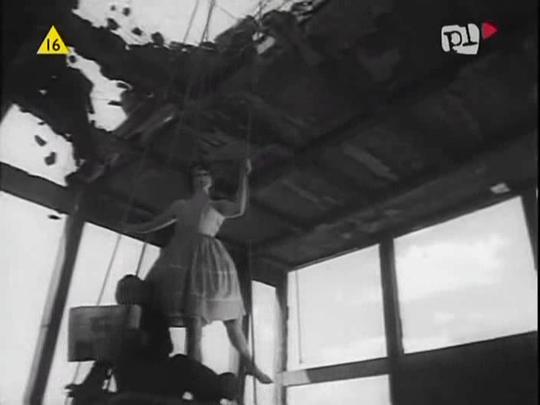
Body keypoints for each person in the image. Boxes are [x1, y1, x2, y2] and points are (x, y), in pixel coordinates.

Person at [125, 159, 272, 384]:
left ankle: (249, 363)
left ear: (211, 180)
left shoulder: (217, 205)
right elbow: (155, 223)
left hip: (211, 261)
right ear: (191, 181)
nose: (201, 178)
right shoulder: (180, 206)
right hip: (182, 260)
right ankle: (195, 379)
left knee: (232, 317)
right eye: (196, 175)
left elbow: (239, 208)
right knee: (193, 324)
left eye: (204, 174)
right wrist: (131, 228)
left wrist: (244, 174)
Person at [68, 275, 239, 404]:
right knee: (182, 365)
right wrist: (87, 387)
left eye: (130, 290)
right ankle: (218, 387)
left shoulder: (153, 317)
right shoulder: (114, 321)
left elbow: (165, 348)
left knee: (182, 364)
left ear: (142, 293)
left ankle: (218, 388)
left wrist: (146, 341)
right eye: (122, 290)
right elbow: (102, 361)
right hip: (132, 380)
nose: (125, 294)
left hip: (157, 376)